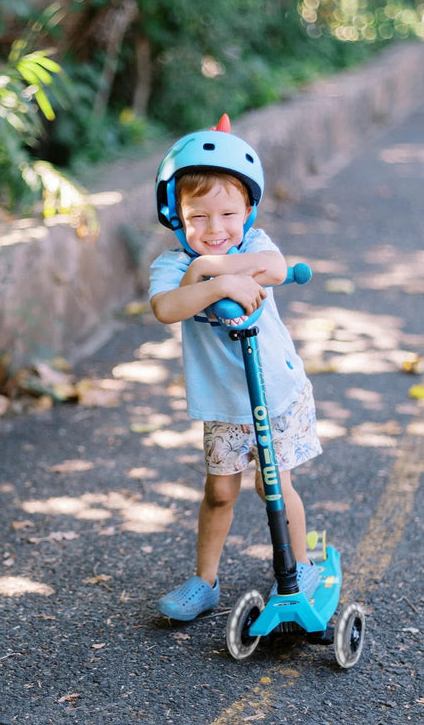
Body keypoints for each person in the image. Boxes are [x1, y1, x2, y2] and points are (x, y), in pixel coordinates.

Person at [149, 114, 322, 621]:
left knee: (275, 485)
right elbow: (166, 307)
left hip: (275, 394)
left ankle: (301, 567)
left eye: (227, 214)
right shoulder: (174, 266)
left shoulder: (255, 246)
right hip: (224, 404)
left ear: (247, 210)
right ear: (175, 214)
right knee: (220, 491)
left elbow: (276, 268)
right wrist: (211, 278)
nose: (214, 229)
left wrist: (212, 268)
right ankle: (205, 581)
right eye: (197, 216)